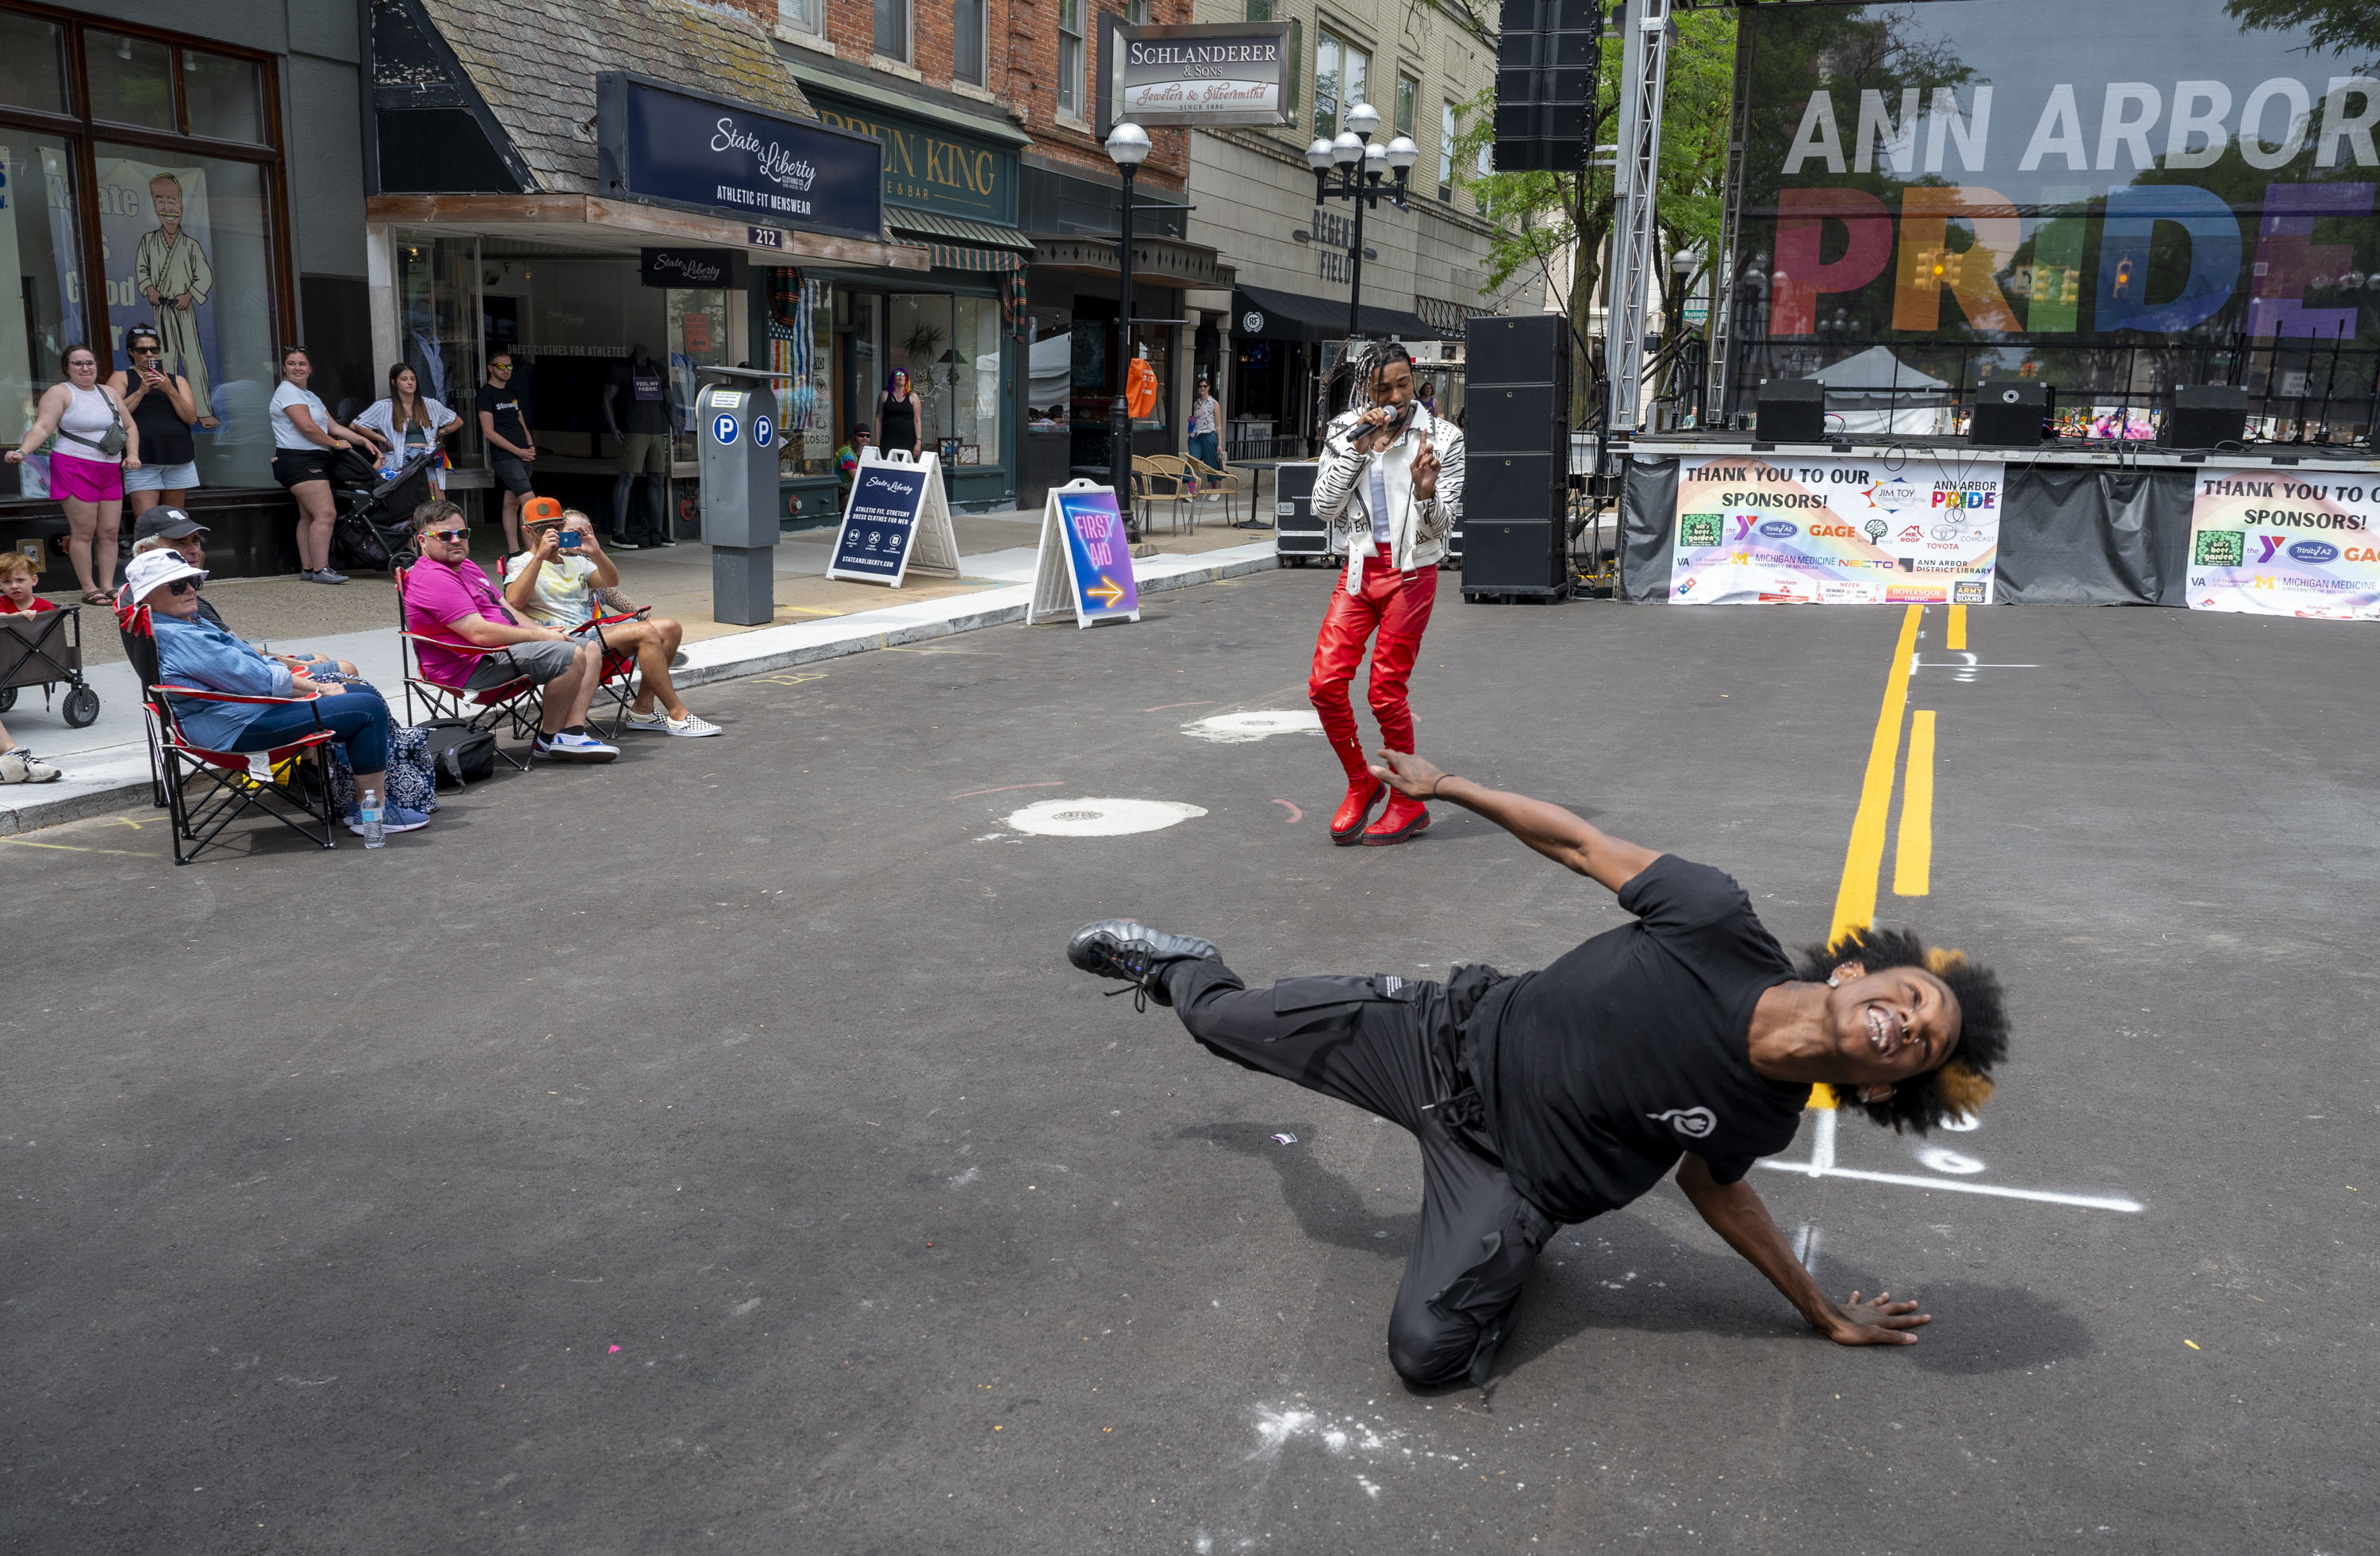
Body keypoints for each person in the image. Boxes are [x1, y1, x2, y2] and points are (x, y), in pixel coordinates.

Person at [1069, 749, 2010, 1389]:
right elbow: (1578, 843)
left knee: (1426, 1354)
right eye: (1915, 995)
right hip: (1439, 1034)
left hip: (1509, 1176)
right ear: (1858, 970)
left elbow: (1719, 1193)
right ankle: (1179, 965)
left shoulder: (1760, 1117)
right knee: (1224, 1019)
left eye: (1923, 1041)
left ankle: (1509, 1251)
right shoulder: (1715, 920)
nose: (1909, 1020)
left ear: (1883, 1085)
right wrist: (1451, 785)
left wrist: (1819, 1309)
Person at [128, 549, 426, 836]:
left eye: (193, 581)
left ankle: (359, 802)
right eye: (178, 586)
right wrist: (320, 688)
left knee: (358, 694)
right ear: (147, 595)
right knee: (366, 709)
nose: (191, 590)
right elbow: (256, 679)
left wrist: (299, 675)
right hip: (235, 726)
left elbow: (248, 660)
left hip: (231, 716)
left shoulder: (175, 621)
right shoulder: (181, 636)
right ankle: (374, 812)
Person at [1307, 340, 1464, 846]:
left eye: (1402, 385)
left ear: (1414, 380)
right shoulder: (1344, 431)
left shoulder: (1442, 437)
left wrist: (1426, 492)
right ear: (1365, 389)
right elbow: (1323, 508)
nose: (1395, 398)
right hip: (1358, 572)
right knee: (1326, 684)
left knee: (1384, 691)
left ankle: (1407, 801)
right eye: (1383, 388)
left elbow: (1443, 527)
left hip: (1411, 575)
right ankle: (1360, 781)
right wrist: (1358, 450)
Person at [401, 499, 618, 763]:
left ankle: (571, 733)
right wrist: (543, 636)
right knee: (570, 653)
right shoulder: (433, 577)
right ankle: (548, 740)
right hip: (471, 666)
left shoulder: (466, 565)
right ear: (423, 541)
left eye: (462, 533)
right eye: (445, 535)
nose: (456, 541)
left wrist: (546, 631)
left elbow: (507, 610)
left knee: (589, 647)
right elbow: (478, 634)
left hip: (500, 652)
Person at [505, 507, 720, 738]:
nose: (551, 532)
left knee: (670, 627)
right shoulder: (521, 563)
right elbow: (514, 602)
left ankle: (642, 709)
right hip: (560, 640)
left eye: (556, 526)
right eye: (541, 528)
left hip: (592, 632)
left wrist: (596, 552)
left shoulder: (577, 562)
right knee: (646, 633)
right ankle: (678, 714)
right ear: (527, 531)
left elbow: (610, 581)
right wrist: (539, 556)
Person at [127, 508, 361, 681]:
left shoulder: (135, 595)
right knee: (345, 670)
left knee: (321, 658)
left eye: (195, 541)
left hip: (226, 679)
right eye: (179, 543)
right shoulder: (171, 602)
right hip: (233, 690)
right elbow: (235, 654)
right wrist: (292, 665)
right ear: (146, 551)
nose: (194, 550)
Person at [5, 344, 140, 604]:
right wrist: (22, 452)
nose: (85, 368)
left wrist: (132, 455)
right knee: (84, 531)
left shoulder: (108, 392)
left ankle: (108, 585)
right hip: (74, 466)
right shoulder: (60, 393)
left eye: (89, 362)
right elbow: (44, 426)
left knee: (110, 531)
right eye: (78, 363)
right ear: (67, 368)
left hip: (109, 468)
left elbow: (130, 426)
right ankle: (89, 588)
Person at [268, 347, 374, 586]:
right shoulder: (287, 392)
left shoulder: (310, 396)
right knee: (326, 514)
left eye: (302, 364)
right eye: (292, 364)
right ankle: (321, 569)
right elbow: (307, 428)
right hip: (299, 459)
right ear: (284, 368)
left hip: (312, 459)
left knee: (308, 516)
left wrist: (364, 440)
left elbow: (333, 426)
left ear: (310, 369)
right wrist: (336, 444)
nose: (297, 368)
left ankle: (308, 568)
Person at [112, 326, 202, 517]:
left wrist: (170, 390)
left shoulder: (177, 380)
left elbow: (191, 418)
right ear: (131, 352)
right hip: (142, 458)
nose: (149, 354)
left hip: (177, 456)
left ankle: (172, 548)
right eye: (142, 351)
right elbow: (114, 416)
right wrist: (141, 391)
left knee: (175, 521)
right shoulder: (122, 378)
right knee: (148, 523)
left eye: (154, 350)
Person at [352, 363, 461, 494]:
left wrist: (438, 434)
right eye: (404, 379)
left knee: (436, 500)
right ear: (394, 382)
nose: (410, 383)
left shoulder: (430, 404)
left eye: (413, 378)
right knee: (407, 502)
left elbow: (457, 421)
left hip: (427, 456)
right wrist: (382, 439)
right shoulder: (384, 406)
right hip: (401, 459)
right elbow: (356, 425)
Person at [478, 352, 538, 553]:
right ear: (491, 368)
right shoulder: (486, 394)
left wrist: (530, 446)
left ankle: (515, 551)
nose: (506, 371)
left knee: (512, 503)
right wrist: (517, 451)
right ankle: (534, 552)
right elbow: (489, 432)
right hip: (506, 457)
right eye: (501, 367)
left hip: (522, 455)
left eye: (509, 367)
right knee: (530, 503)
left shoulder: (511, 393)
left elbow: (520, 422)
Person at [876, 367, 923, 460]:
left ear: (906, 379)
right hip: (888, 438)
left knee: (906, 466)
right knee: (887, 465)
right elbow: (878, 418)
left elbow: (917, 420)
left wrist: (918, 442)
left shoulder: (913, 397)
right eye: (897, 375)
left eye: (903, 375)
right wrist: (877, 442)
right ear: (893, 378)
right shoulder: (884, 395)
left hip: (907, 439)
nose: (900, 377)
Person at [1188, 375, 1223, 472]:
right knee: (1192, 463)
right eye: (1200, 386)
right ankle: (1192, 487)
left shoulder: (1214, 403)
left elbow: (1218, 425)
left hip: (1209, 435)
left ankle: (1214, 487)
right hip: (1195, 436)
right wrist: (1191, 420)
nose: (1202, 388)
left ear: (1208, 387)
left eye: (1204, 386)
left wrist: (1219, 444)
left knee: (1211, 464)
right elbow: (1197, 419)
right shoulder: (1196, 404)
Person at [836, 425, 871, 510]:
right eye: (861, 435)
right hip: (838, 483)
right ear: (854, 436)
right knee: (858, 488)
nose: (865, 438)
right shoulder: (847, 452)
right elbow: (855, 476)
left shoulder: (866, 451)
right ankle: (838, 512)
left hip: (848, 483)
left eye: (868, 436)